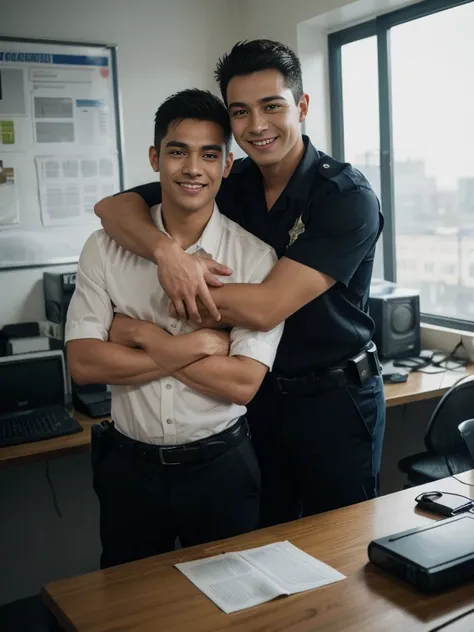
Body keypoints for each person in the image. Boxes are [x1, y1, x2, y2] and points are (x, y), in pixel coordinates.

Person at [95, 39, 386, 527]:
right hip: (258, 399)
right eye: (240, 111)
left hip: (333, 402)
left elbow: (265, 308)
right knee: (263, 546)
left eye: (272, 106)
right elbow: (113, 208)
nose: (256, 126)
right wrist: (167, 254)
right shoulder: (231, 177)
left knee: (339, 550)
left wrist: (143, 324)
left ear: (302, 106)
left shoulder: (344, 196)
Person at [65, 88, 284, 568]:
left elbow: (243, 383)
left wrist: (145, 337)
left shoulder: (254, 257)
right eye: (177, 151)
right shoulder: (104, 248)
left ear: (227, 165)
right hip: (129, 470)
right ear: (154, 158)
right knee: (130, 606)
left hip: (222, 467)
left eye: (209, 155)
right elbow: (83, 364)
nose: (192, 169)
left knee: (233, 607)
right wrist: (198, 347)